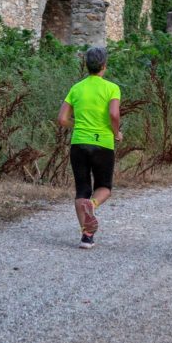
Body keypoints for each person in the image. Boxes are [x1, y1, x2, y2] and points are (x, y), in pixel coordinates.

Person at [57, 46, 122, 249]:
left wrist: (78, 125)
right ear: (104, 65)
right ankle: (92, 206)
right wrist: (116, 132)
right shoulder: (111, 88)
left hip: (79, 144)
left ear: (87, 65)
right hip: (102, 143)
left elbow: (62, 119)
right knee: (104, 187)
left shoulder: (76, 88)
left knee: (82, 190)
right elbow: (113, 114)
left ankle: (86, 236)